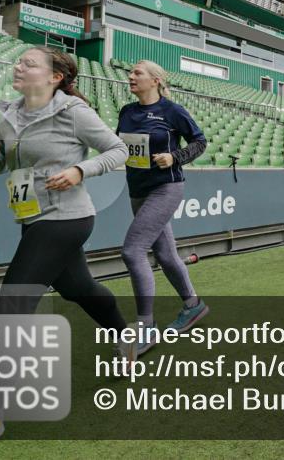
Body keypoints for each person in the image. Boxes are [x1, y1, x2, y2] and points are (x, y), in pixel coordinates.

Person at [0, 47, 131, 452]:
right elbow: (3, 166)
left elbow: (118, 150)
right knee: (79, 289)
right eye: (18, 60)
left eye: (29, 63)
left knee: (13, 300)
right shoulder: (10, 115)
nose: (19, 66)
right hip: (32, 218)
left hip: (68, 219)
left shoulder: (73, 112)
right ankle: (124, 334)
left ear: (55, 77)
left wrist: (80, 169)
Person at [117, 60, 209, 355]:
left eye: (137, 73)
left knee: (132, 251)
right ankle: (193, 306)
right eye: (130, 72)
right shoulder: (126, 112)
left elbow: (200, 141)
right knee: (166, 254)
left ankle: (146, 328)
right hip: (137, 189)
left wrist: (175, 157)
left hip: (166, 187)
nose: (131, 76)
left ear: (156, 80)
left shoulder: (173, 110)